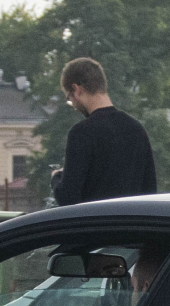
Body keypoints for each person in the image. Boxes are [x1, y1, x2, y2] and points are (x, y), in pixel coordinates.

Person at [52, 57, 157, 206]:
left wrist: (57, 178)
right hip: (133, 225)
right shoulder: (136, 129)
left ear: (76, 89)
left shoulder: (81, 133)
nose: (73, 105)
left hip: (97, 226)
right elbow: (150, 190)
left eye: (69, 98)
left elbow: (68, 198)